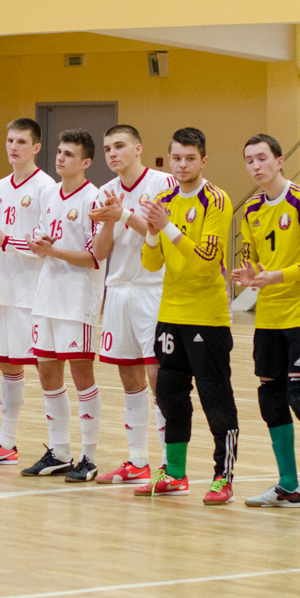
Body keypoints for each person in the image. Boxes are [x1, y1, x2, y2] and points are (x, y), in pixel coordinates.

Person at [232, 133, 300, 514]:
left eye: (262, 158)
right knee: (271, 398)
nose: (256, 166)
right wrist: (248, 274)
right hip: (270, 315)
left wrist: (278, 276)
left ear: (280, 160)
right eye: (249, 160)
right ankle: (288, 486)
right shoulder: (251, 210)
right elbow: (251, 259)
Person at [137, 127, 239, 502]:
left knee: (215, 397)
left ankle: (222, 476)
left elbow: (207, 262)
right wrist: (151, 232)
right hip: (170, 314)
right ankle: (175, 473)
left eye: (190, 158)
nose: (182, 165)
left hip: (207, 317)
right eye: (176, 158)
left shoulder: (216, 200)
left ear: (203, 160)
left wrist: (166, 226)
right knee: (169, 395)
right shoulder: (164, 199)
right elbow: (151, 264)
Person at [0, 118, 55, 466]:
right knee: (7, 365)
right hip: (4, 289)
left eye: (21, 141)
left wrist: (6, 240)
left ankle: (57, 446)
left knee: (46, 368)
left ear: (35, 147)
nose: (13, 147)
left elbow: (46, 245)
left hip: (35, 292)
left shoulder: (47, 187)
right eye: (9, 140)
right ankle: (6, 442)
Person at [89, 125, 176, 485]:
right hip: (118, 289)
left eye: (120, 146)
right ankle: (137, 460)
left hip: (153, 288)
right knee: (129, 377)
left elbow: (162, 234)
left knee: (159, 376)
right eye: (108, 148)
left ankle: (171, 462)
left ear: (138, 148)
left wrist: (123, 215)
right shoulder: (105, 191)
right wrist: (110, 220)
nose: (113, 153)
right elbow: (101, 251)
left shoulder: (163, 183)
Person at [20, 130, 105, 480]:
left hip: (77, 299)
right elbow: (42, 238)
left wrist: (51, 250)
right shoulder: (47, 193)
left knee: (81, 373)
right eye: (58, 151)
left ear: (85, 162)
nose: (60, 158)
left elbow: (93, 257)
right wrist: (38, 242)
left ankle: (89, 456)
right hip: (47, 295)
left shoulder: (95, 199)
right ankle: (59, 452)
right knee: (46, 371)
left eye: (68, 154)